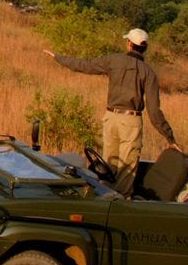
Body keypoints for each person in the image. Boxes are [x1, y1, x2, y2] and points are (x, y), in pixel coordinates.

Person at [46, 28, 174, 193]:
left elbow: (85, 65)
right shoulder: (148, 73)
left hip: (110, 117)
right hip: (131, 121)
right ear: (145, 48)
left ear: (129, 44)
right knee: (127, 167)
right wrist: (170, 138)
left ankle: (104, 196)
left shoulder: (114, 61)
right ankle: (119, 202)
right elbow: (154, 111)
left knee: (109, 163)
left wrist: (58, 58)